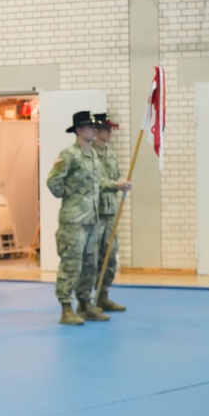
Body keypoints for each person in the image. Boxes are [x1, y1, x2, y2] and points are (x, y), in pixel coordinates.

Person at [46, 111, 130, 326]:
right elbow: (53, 182)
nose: (95, 130)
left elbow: (97, 183)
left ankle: (85, 304)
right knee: (71, 264)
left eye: (95, 127)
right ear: (79, 130)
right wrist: (71, 195)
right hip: (74, 221)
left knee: (89, 265)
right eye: (90, 127)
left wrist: (113, 185)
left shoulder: (92, 155)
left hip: (92, 219)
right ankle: (66, 307)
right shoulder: (69, 155)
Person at [92, 112, 126, 312]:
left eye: (111, 128)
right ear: (96, 131)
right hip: (93, 213)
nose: (110, 132)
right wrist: (115, 185)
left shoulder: (111, 155)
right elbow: (94, 182)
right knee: (92, 258)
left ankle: (103, 295)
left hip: (110, 212)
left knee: (110, 255)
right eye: (106, 129)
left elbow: (115, 178)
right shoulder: (88, 154)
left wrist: (120, 185)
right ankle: (88, 299)